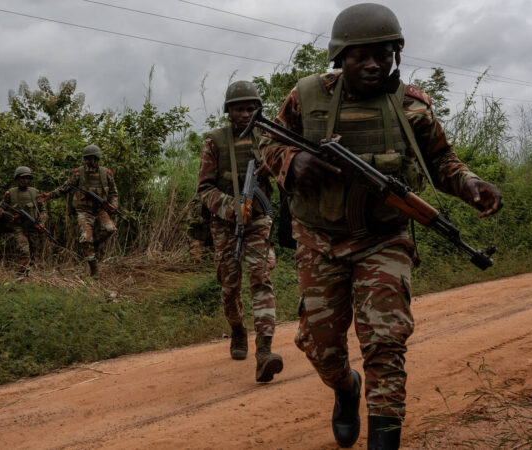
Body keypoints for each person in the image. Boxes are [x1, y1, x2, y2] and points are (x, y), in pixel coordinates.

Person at [259, 4, 503, 448]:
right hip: (319, 240)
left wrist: (470, 184)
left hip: (384, 239)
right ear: (340, 57)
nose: (373, 64)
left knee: (386, 343)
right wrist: (293, 162)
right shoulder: (307, 95)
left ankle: (384, 439)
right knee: (320, 347)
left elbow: (442, 162)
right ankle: (346, 388)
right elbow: (267, 141)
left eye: (384, 54)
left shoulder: (411, 106)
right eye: (360, 56)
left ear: (396, 54)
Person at [197, 80, 282, 383]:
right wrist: (231, 206)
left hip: (259, 220)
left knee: (261, 277)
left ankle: (264, 351)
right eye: (238, 108)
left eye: (250, 108)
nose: (245, 114)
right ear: (228, 111)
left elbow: (287, 170)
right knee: (230, 286)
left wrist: (271, 168)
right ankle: (237, 330)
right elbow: (204, 189)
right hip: (224, 224)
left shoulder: (268, 138)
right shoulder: (214, 141)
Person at [39, 144, 117, 277]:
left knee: (110, 229)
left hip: (100, 209)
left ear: (97, 158)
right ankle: (94, 270)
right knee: (86, 239)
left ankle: (95, 244)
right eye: (86, 158)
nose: (88, 161)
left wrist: (113, 205)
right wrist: (49, 195)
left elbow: (114, 192)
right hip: (83, 210)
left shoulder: (106, 173)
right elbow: (65, 188)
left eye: (91, 158)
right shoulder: (78, 173)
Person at [0, 166, 48, 273]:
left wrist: (42, 222)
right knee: (24, 249)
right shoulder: (10, 193)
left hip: (33, 226)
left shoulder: (35, 192)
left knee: (34, 251)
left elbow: (43, 210)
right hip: (18, 227)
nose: (25, 180)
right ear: (17, 178)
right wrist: (5, 214)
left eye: (27, 178)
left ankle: (30, 274)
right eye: (22, 178)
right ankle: (21, 273)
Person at [186, 195, 212, 259]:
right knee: (195, 259)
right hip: (197, 237)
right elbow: (189, 220)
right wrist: (201, 220)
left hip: (209, 236)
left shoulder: (212, 200)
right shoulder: (195, 203)